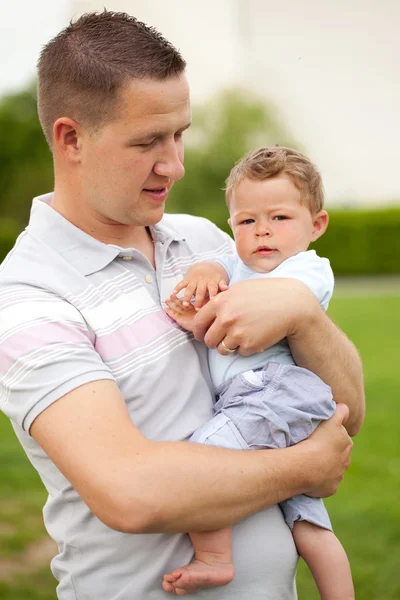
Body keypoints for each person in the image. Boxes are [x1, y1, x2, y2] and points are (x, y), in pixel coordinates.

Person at [0, 11, 364, 600]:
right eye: (148, 141)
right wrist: (303, 469)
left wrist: (302, 313)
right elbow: (130, 493)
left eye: (178, 134)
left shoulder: (207, 242)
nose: (175, 164)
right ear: (71, 139)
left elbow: (342, 409)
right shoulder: (26, 298)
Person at [163, 146, 354, 598]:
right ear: (232, 227)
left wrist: (209, 310)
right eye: (247, 221)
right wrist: (206, 268)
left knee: (205, 457)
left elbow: (258, 318)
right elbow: (218, 282)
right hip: (263, 400)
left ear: (317, 225)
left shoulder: (306, 270)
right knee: (308, 522)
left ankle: (214, 558)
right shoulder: (235, 265)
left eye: (280, 219)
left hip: (275, 392)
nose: (262, 230)